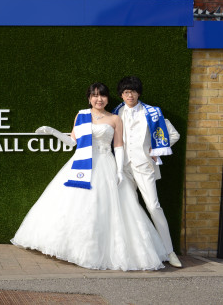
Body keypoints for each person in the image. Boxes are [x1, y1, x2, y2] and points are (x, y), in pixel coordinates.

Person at [11, 82, 169, 271]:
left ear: (107, 98)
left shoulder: (115, 119)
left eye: (102, 95)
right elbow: (71, 142)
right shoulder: (82, 115)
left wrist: (119, 170)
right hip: (80, 164)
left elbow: (118, 146)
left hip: (105, 164)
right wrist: (52, 131)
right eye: (94, 95)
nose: (98, 99)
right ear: (89, 98)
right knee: (72, 207)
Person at [112, 76, 182, 268]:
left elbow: (174, 134)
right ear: (121, 94)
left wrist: (155, 151)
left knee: (153, 207)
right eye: (126, 92)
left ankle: (169, 251)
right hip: (123, 168)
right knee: (127, 207)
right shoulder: (116, 111)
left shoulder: (152, 113)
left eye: (133, 91)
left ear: (139, 93)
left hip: (144, 167)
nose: (130, 95)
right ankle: (130, 252)